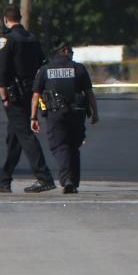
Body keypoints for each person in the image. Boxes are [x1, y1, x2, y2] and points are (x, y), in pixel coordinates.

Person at [0, 6, 55, 194]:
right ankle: (4, 179)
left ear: (6, 20)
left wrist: (3, 96)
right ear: (20, 18)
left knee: (25, 134)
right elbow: (43, 62)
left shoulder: (6, 39)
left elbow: (1, 71)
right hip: (30, 91)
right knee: (14, 136)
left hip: (14, 93)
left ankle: (44, 177)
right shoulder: (32, 38)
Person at [31, 39, 99, 194]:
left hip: (55, 114)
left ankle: (67, 179)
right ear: (66, 51)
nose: (73, 54)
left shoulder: (44, 70)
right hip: (77, 113)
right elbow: (89, 93)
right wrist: (95, 113)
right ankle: (73, 182)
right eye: (72, 51)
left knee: (59, 146)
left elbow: (35, 96)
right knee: (73, 147)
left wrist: (33, 118)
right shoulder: (79, 69)